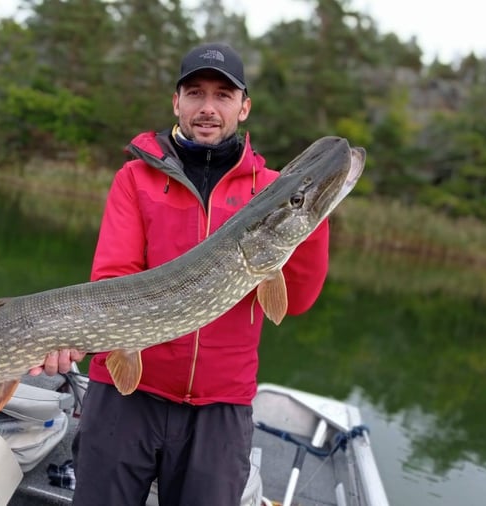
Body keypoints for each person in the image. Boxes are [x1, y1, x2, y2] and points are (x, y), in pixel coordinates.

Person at [31, 42, 330, 505]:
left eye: (223, 95)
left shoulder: (271, 192)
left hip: (220, 408)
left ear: (244, 107)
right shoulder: (135, 179)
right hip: (125, 394)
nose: (208, 108)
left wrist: (310, 215)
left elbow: (302, 298)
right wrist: (70, 335)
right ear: (177, 102)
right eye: (195, 93)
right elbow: (111, 281)